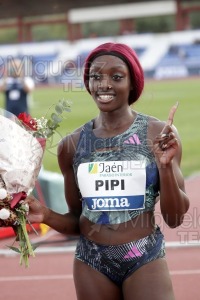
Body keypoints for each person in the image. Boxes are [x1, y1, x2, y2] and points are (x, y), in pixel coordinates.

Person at [25, 42, 190, 300]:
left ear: (132, 82)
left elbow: (175, 218)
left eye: (116, 76)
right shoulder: (72, 145)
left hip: (144, 257)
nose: (104, 84)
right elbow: (77, 220)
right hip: (91, 262)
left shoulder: (158, 134)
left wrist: (165, 167)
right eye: (95, 76)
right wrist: (45, 214)